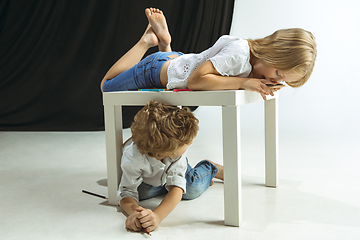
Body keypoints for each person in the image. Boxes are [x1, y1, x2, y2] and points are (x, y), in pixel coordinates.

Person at [100, 8, 317, 100]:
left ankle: (165, 44)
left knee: (173, 69)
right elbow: (195, 81)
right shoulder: (240, 53)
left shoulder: (252, 65)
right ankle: (146, 41)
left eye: (282, 81)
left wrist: (252, 81)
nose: (274, 80)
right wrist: (243, 83)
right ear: (272, 53)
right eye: (278, 72)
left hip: (176, 64)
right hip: (155, 70)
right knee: (107, 86)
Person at [119, 100, 223, 233]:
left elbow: (176, 189)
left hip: (174, 174)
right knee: (141, 194)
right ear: (162, 153)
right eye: (186, 143)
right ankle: (165, 187)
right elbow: (126, 191)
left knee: (192, 189)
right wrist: (134, 213)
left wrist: (157, 216)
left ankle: (210, 168)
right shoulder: (133, 156)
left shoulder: (176, 150)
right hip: (150, 179)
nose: (190, 143)